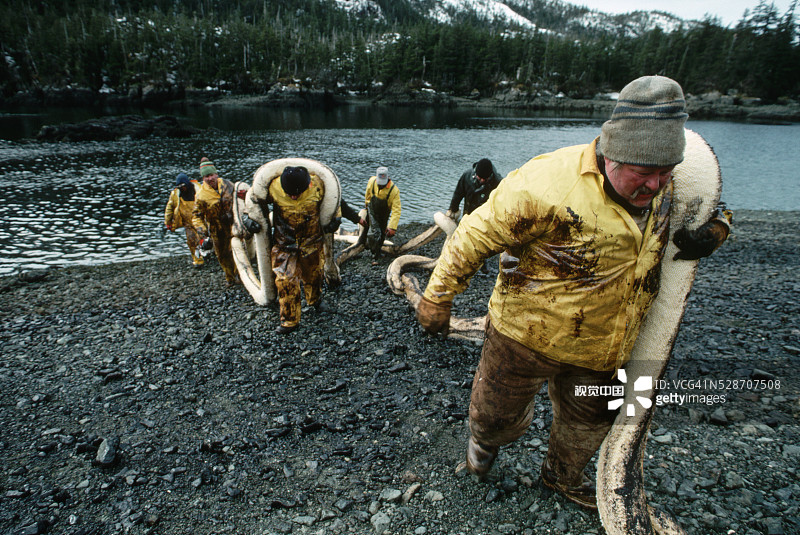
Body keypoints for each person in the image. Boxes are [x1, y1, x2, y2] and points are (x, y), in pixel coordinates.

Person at [415, 76, 731, 509]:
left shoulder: (670, 183)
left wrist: (718, 230)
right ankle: (483, 451)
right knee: (495, 417)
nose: (656, 186)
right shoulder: (545, 183)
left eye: (665, 173)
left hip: (606, 346)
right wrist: (437, 297)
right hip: (524, 335)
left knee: (588, 422)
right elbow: (473, 234)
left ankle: (562, 476)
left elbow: (715, 206)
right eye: (644, 174)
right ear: (613, 154)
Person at [267, 166, 332, 334]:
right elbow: (255, 202)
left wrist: (335, 217)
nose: (293, 196)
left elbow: (334, 200)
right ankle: (289, 320)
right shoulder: (272, 187)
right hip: (284, 244)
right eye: (290, 193)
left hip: (311, 241)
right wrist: (248, 217)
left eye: (297, 193)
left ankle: (315, 299)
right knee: (285, 281)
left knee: (314, 274)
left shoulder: (318, 185)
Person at [191, 157, 239, 286]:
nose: (210, 178)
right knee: (223, 256)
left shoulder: (229, 185)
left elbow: (240, 201)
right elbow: (196, 216)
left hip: (233, 226)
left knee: (238, 252)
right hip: (216, 230)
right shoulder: (201, 195)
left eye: (211, 175)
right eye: (206, 176)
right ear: (203, 178)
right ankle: (230, 278)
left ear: (216, 174)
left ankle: (240, 275)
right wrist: (203, 234)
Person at [359, 166, 401, 259]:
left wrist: (392, 227)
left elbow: (396, 210)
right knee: (374, 231)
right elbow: (368, 194)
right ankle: (374, 253)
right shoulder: (372, 181)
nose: (380, 185)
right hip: (372, 209)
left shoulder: (394, 191)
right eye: (379, 183)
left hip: (384, 212)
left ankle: (377, 249)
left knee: (381, 232)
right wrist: (366, 205)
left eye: (382, 184)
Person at [164, 173, 203, 267]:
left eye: (183, 185)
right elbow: (169, 208)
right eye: (179, 186)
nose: (182, 188)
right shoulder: (175, 194)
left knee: (204, 238)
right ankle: (198, 259)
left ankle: (210, 253)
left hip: (201, 221)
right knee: (191, 240)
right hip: (188, 223)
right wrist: (168, 222)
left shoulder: (199, 190)